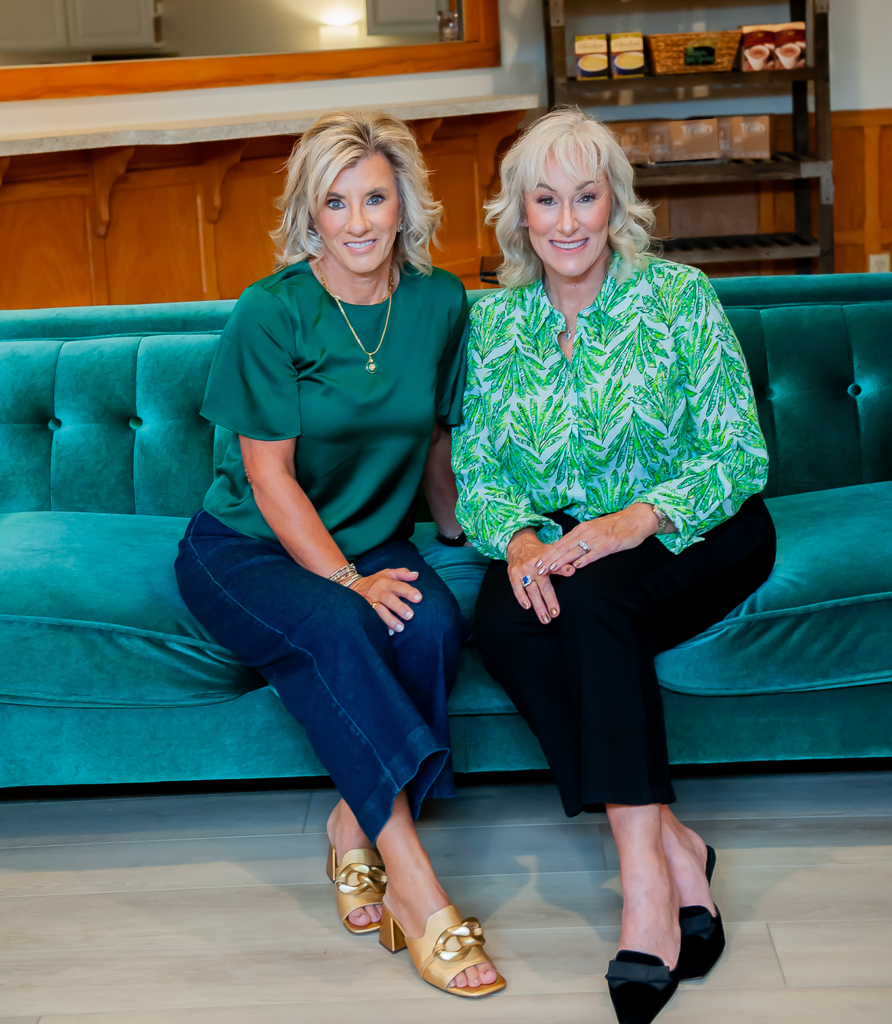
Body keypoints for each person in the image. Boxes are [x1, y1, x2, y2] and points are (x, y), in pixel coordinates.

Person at [452, 107, 774, 1023]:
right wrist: (517, 540)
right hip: (566, 536)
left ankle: (643, 892)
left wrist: (632, 522)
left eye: (584, 197)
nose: (564, 221)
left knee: (591, 604)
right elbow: (479, 471)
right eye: (544, 200)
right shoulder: (496, 326)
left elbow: (739, 455)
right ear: (518, 214)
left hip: (699, 526)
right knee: (507, 620)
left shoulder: (678, 296)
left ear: (613, 205)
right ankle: (677, 846)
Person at [175, 109, 504, 998]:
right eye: (335, 203)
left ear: (404, 205)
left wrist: (459, 530)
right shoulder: (272, 312)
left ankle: (347, 825)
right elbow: (270, 479)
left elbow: (434, 431)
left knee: (434, 628)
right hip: (243, 548)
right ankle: (416, 881)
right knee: (345, 627)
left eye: (374, 199)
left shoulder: (438, 301)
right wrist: (349, 580)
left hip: (374, 536)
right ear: (309, 216)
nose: (357, 222)